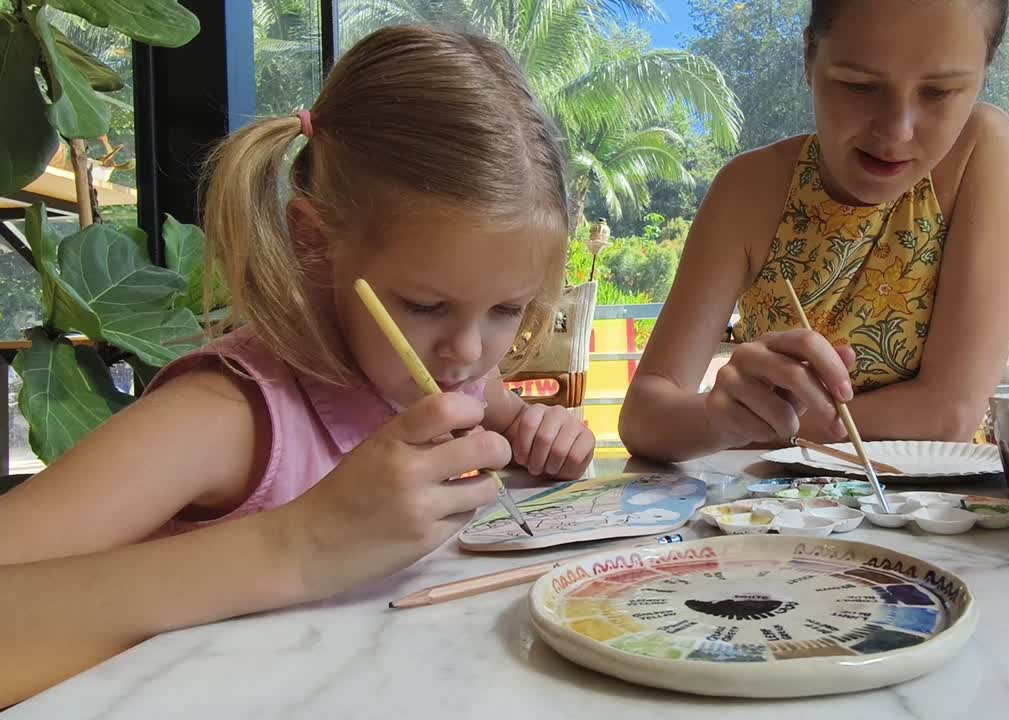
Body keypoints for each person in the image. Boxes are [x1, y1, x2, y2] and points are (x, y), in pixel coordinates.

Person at [0, 25, 594, 705]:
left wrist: (538, 433)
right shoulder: (228, 418)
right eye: (426, 304)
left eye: (506, 309)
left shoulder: (457, 379)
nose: (467, 352)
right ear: (314, 242)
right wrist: (301, 543)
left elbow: (508, 414)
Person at [620, 0, 1009, 461]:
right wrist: (718, 418)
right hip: (774, 517)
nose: (896, 131)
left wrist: (756, 426)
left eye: (939, 92)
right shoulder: (750, 189)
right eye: (860, 86)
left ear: (984, 71)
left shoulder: (978, 148)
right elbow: (643, 417)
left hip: (936, 511)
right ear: (809, 57)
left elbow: (949, 416)